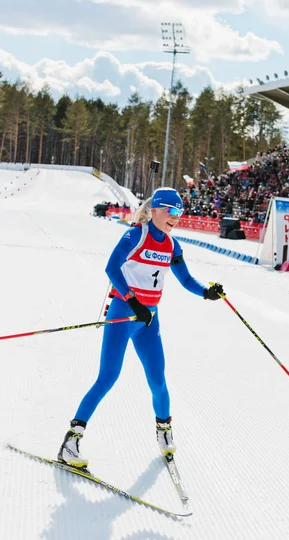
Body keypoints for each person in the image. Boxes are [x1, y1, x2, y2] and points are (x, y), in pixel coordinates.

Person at [58, 187, 225, 469]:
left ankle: (164, 432)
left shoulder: (173, 245)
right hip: (125, 314)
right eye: (172, 212)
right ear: (156, 210)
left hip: (149, 320)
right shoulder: (136, 234)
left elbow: (186, 280)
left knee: (158, 380)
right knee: (108, 377)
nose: (176, 218)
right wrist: (132, 301)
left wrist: (207, 292)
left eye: (180, 213)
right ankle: (71, 441)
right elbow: (112, 268)